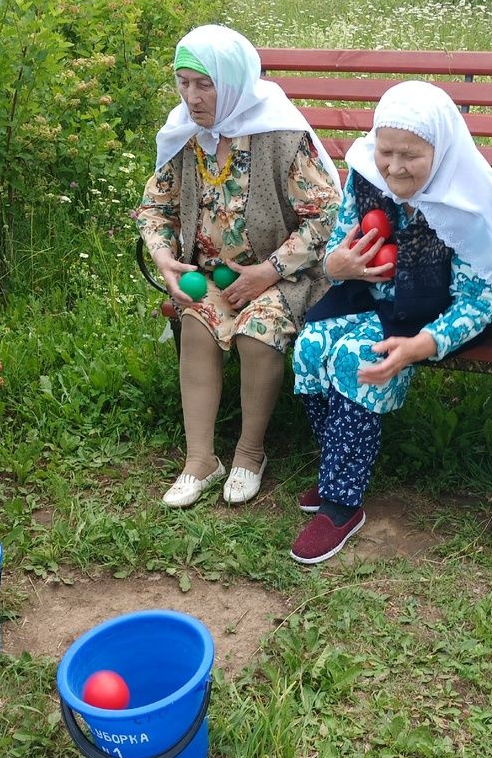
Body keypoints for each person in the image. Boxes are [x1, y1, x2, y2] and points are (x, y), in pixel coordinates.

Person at [289, 81, 492, 564]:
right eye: (385, 150)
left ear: (440, 148)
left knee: (355, 358)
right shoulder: (367, 175)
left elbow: (478, 305)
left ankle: (341, 504)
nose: (392, 167)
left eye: (410, 155)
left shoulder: (465, 202)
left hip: (435, 313)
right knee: (310, 345)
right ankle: (338, 462)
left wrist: (419, 345)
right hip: (369, 295)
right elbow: (335, 248)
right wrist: (338, 266)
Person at [135, 25, 340, 508]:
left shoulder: (280, 136)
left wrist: (268, 272)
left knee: (256, 331)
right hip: (210, 275)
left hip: (280, 275)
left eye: (204, 84)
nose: (191, 97)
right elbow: (154, 207)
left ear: (231, 82)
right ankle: (201, 460)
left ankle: (250, 453)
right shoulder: (187, 135)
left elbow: (327, 216)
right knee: (197, 322)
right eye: (183, 82)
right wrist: (165, 259)